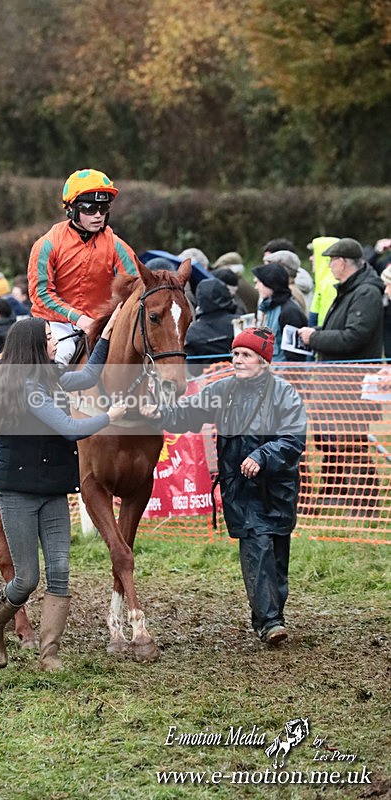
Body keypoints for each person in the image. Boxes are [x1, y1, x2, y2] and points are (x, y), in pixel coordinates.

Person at [0, 306, 127, 670]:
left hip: (52, 489)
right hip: (17, 493)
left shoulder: (49, 376)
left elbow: (91, 374)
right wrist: (110, 416)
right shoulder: (29, 387)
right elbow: (70, 428)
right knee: (27, 577)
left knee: (60, 570)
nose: (55, 342)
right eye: (49, 338)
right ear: (33, 346)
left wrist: (106, 335)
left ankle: (50, 653)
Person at [141, 327, 306, 644]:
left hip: (278, 489)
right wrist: (160, 412)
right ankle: (271, 622)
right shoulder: (222, 390)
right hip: (241, 490)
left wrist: (262, 455)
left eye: (246, 355)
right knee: (257, 547)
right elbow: (188, 412)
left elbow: (293, 439)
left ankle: (268, 617)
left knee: (277, 559)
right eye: (235, 354)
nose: (238, 360)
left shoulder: (285, 394)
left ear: (263, 360)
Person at [298, 238, 384, 515]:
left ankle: (364, 503)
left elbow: (354, 336)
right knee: (343, 441)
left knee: (353, 442)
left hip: (351, 381)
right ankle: (352, 496)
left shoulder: (366, 292)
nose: (329, 266)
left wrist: (315, 338)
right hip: (340, 379)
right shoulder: (352, 290)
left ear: (343, 262)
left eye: (331, 261)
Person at [27, 168, 138, 364]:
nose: (98, 215)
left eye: (103, 209)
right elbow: (41, 295)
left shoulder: (117, 245)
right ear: (72, 209)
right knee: (63, 352)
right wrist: (78, 318)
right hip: (57, 325)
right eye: (90, 209)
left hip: (102, 323)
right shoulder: (47, 244)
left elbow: (135, 286)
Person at [184, 275, 239, 375]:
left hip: (208, 381)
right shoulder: (240, 323)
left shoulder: (192, 332)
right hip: (241, 378)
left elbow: (194, 371)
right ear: (226, 294)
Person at [252, 263, 308, 361]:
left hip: (284, 373)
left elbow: (295, 356)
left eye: (258, 283)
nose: (256, 287)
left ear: (269, 283)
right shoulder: (269, 308)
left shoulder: (289, 312)